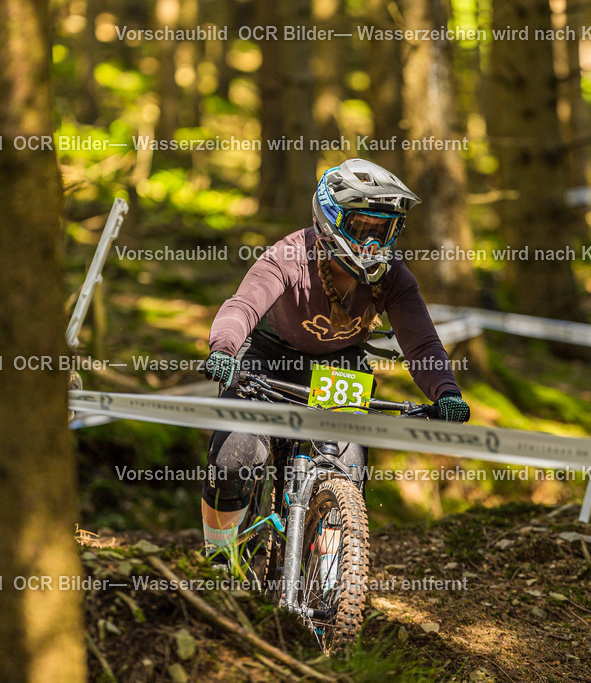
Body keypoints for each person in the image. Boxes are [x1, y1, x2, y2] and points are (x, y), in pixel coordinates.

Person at [201, 158, 470, 557]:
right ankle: (217, 557)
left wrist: (446, 391)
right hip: (269, 359)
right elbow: (242, 307)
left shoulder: (394, 275)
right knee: (233, 460)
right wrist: (223, 350)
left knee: (346, 469)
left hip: (339, 365)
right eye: (363, 228)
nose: (373, 244)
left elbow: (422, 343)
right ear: (330, 219)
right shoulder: (289, 256)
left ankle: (329, 583)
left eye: (385, 230)